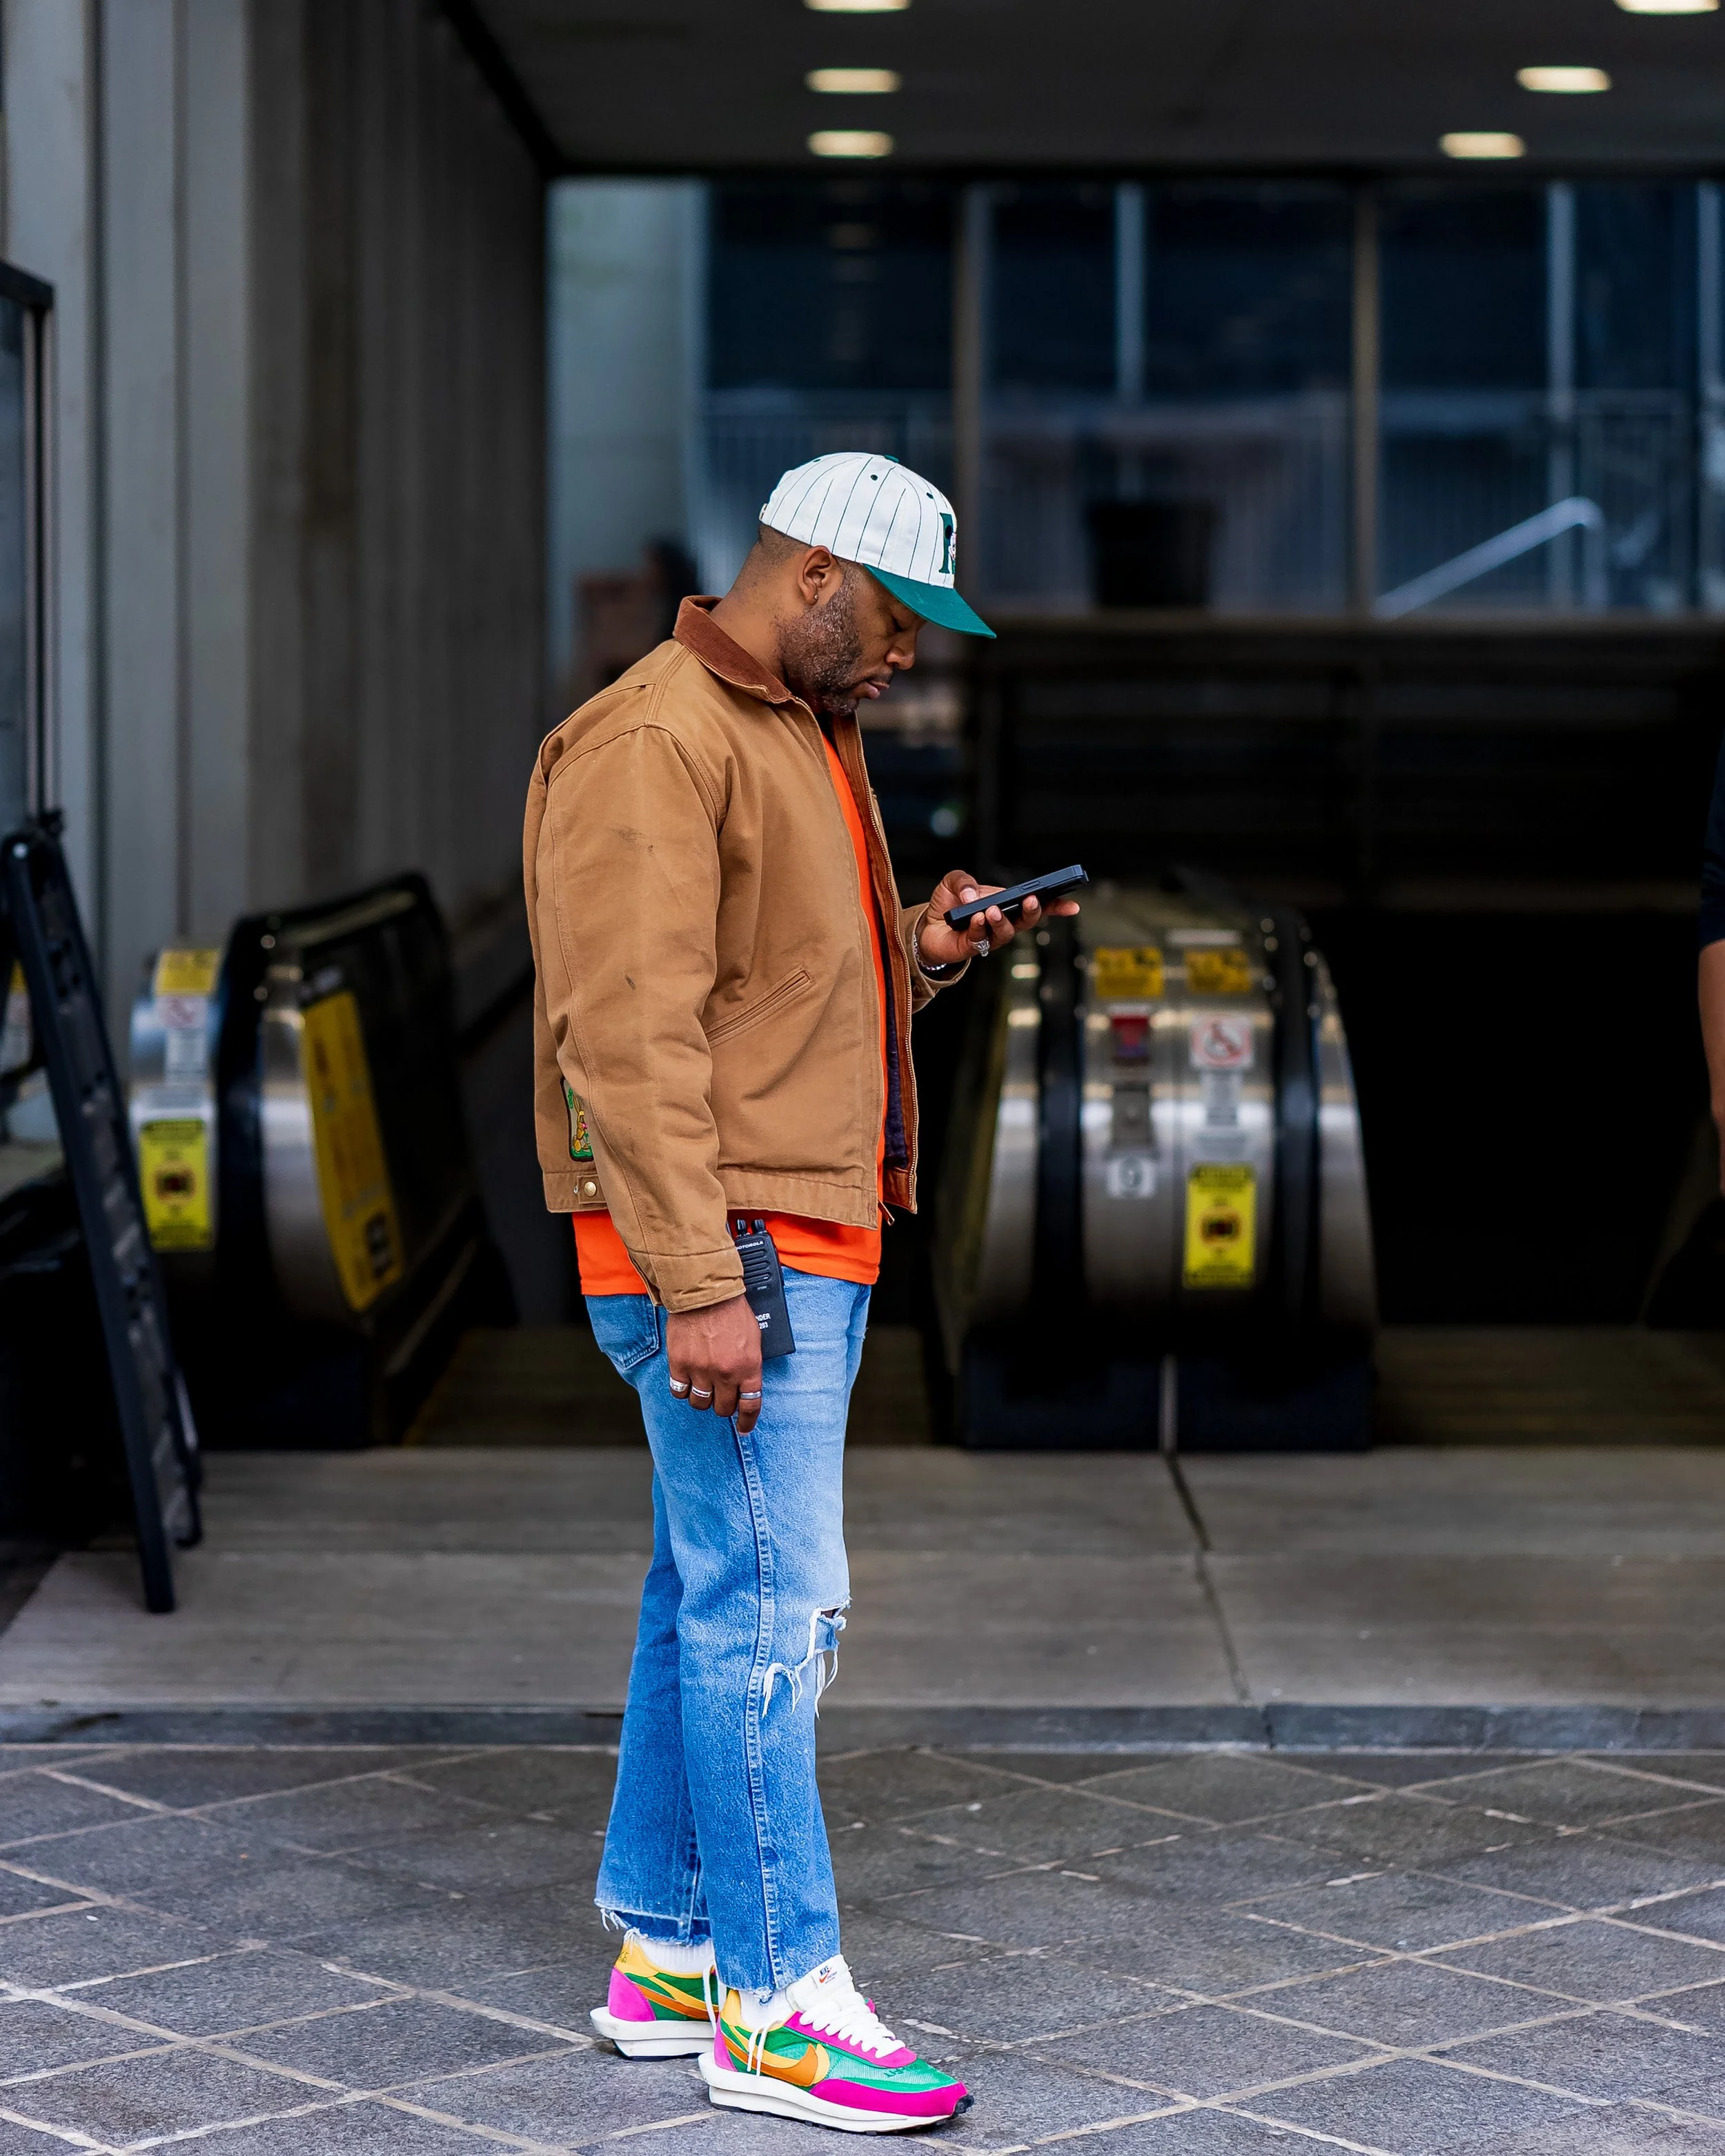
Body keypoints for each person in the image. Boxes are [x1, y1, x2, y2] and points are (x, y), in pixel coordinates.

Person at [524, 451, 1077, 2135]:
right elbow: (627, 1037)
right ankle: (777, 2003)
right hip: (734, 1249)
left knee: (706, 1587)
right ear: (816, 574)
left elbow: (766, 988)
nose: (911, 654)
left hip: (768, 1232)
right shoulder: (655, 739)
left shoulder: (790, 729)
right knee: (773, 1610)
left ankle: (671, 1947)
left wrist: (921, 946)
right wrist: (700, 1283)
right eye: (900, 619)